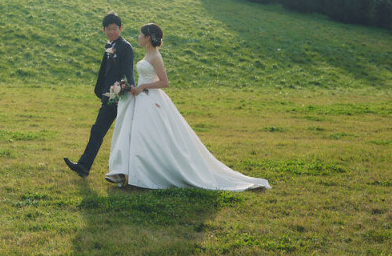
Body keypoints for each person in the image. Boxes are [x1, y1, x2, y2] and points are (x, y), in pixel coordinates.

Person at [105, 23, 271, 191]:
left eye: (141, 35)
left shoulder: (155, 56)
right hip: (140, 99)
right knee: (136, 135)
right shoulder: (147, 54)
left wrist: (143, 87)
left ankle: (147, 174)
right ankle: (129, 173)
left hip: (150, 99)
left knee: (148, 137)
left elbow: (164, 82)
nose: (138, 37)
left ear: (148, 38)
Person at [64, 12, 135, 178]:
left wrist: (121, 94)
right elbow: (105, 70)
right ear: (103, 29)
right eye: (108, 29)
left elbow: (128, 75)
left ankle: (128, 171)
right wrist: (101, 90)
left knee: (127, 136)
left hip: (121, 98)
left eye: (115, 29)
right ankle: (83, 166)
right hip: (109, 97)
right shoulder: (108, 46)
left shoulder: (126, 47)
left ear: (121, 28)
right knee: (97, 131)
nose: (112, 32)